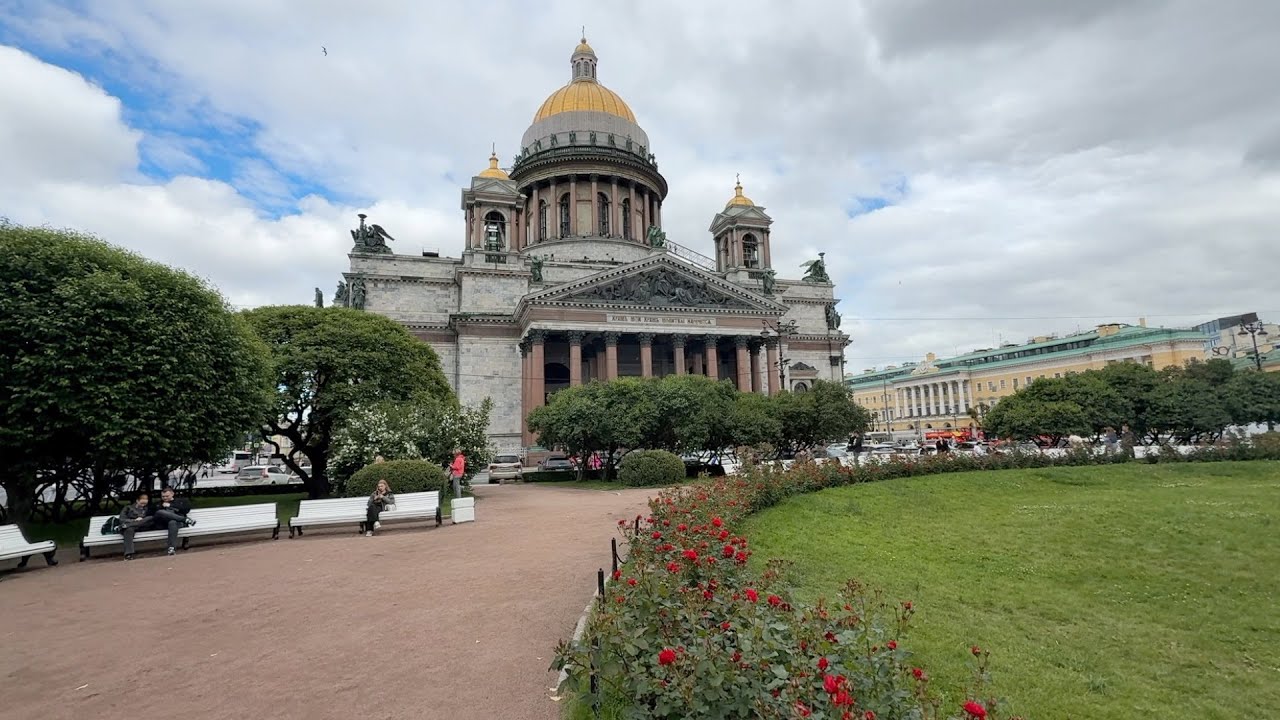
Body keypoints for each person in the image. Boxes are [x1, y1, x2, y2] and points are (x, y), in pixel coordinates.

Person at [154, 486, 196, 556]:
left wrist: (171, 505)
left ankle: (171, 548)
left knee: (172, 522)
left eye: (167, 496)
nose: (165, 498)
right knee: (160, 512)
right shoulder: (159, 503)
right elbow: (153, 513)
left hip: (178, 523)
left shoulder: (180, 501)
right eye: (163, 496)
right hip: (164, 524)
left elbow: (186, 510)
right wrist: (162, 506)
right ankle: (186, 520)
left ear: (172, 494)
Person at [119, 492, 156, 561]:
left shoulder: (148, 509)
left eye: (146, 502)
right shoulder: (128, 508)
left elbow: (151, 518)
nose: (143, 505)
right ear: (137, 501)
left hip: (143, 526)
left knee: (150, 518)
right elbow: (122, 519)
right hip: (132, 527)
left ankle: (127, 526)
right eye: (142, 502)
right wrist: (134, 520)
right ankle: (128, 554)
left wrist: (140, 521)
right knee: (128, 530)